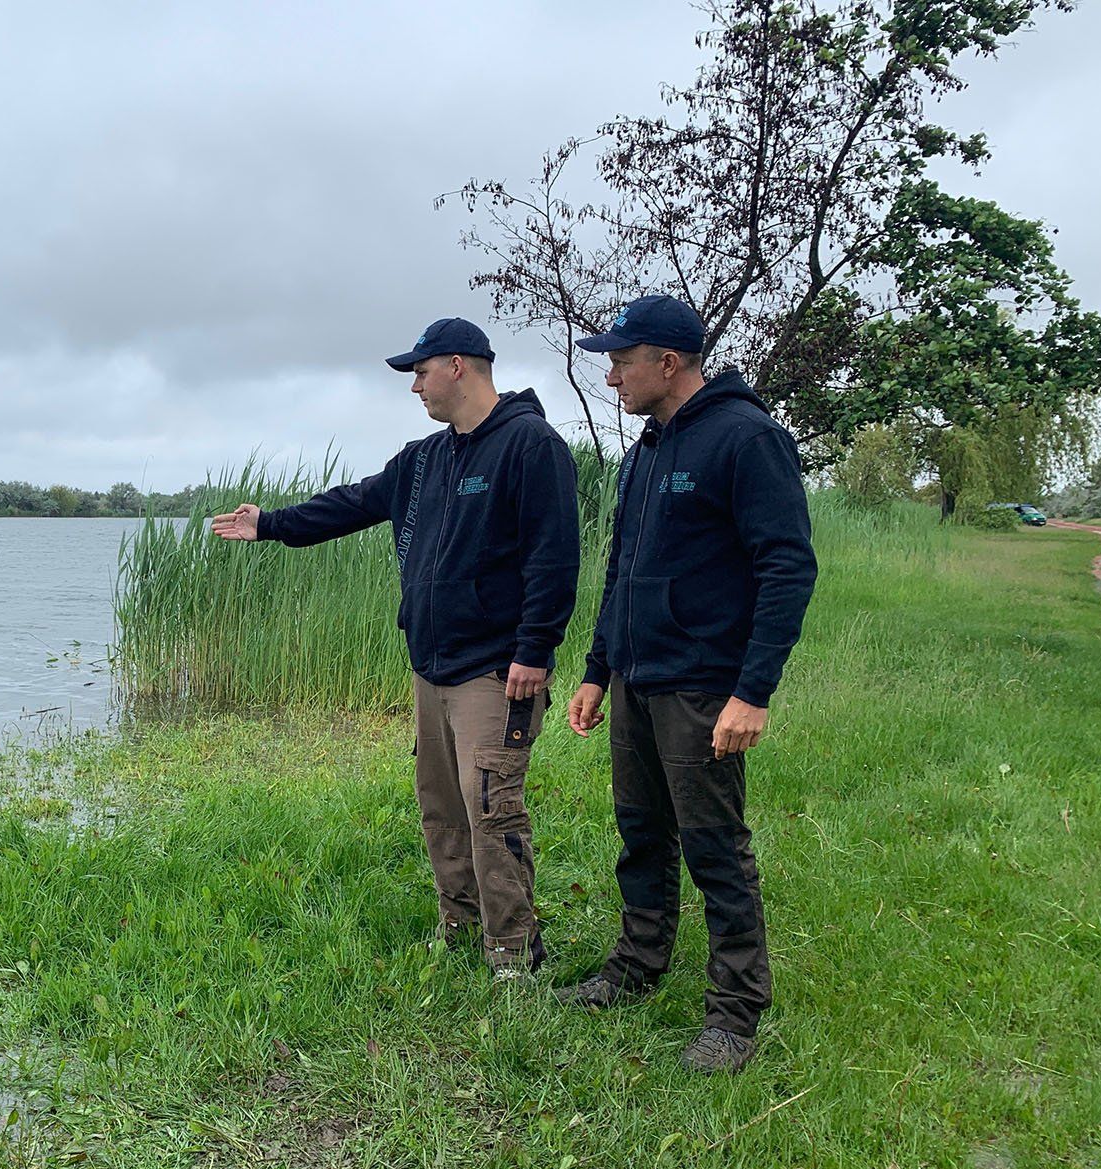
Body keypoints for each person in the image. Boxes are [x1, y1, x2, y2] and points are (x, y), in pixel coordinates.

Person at [210, 318, 579, 979]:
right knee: (441, 807)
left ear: (459, 366)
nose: (415, 386)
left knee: (492, 808)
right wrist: (268, 524)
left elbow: (554, 557)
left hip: (494, 671)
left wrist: (535, 649)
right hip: (431, 667)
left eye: (420, 371)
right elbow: (350, 505)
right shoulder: (424, 460)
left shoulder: (530, 446)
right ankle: (461, 928)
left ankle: (513, 955)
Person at [555, 295, 817, 1073]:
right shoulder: (644, 450)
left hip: (704, 686)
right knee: (641, 835)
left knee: (713, 846)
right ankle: (635, 968)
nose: (611, 377)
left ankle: (734, 1017)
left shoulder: (748, 439)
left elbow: (787, 567)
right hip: (637, 680)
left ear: (668, 363)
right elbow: (623, 570)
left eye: (621, 361)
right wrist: (599, 671)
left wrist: (753, 691)